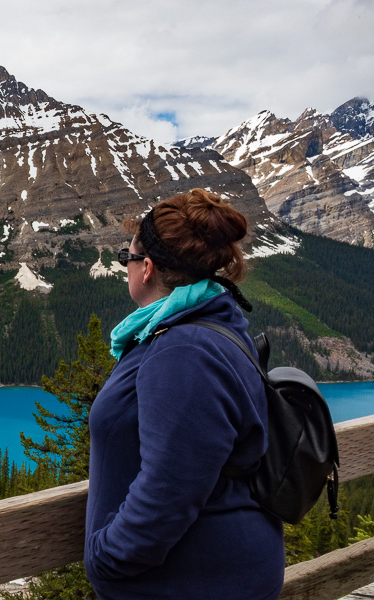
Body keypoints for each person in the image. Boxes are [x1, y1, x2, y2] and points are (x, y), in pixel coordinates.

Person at [84, 188, 285, 599]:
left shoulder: (182, 351)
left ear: (147, 269)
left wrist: (106, 559)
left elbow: (168, 490)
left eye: (128, 257)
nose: (126, 266)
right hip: (216, 569)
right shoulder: (207, 323)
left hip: (196, 581)